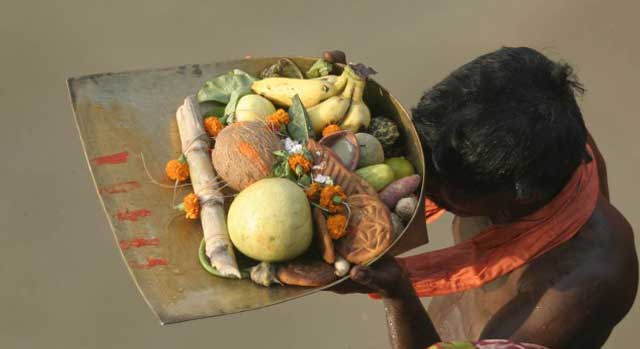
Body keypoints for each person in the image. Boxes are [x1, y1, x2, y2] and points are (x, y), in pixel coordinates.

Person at [330, 47, 638, 349]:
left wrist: (397, 296)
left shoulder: (584, 284)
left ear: (511, 204)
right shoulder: (543, 132)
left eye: (437, 188)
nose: (420, 181)